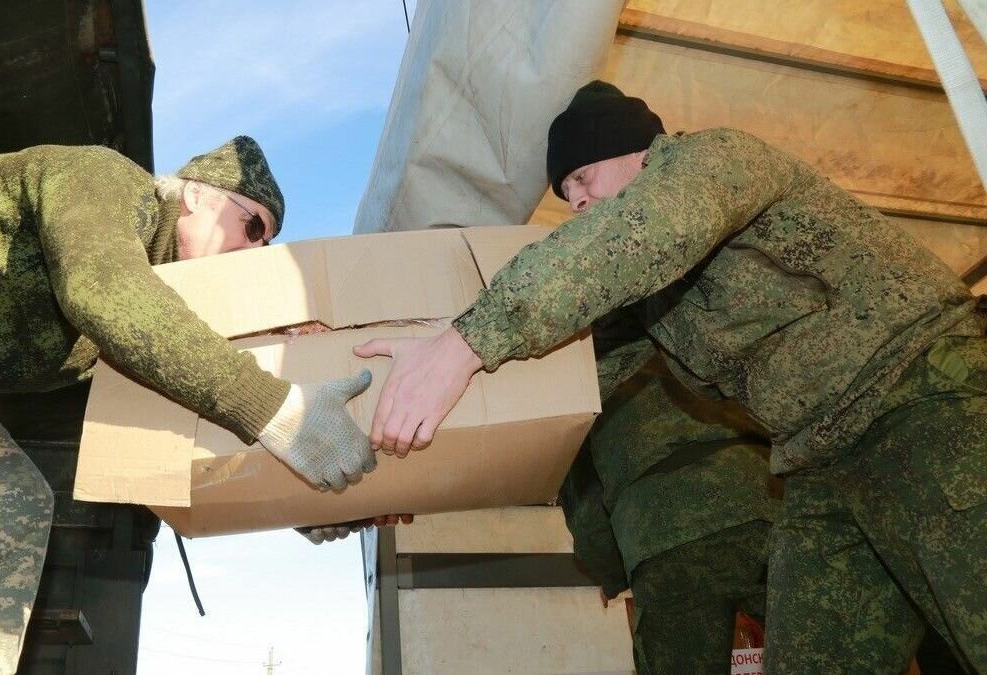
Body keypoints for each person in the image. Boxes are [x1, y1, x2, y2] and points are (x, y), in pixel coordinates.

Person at [354, 81, 987, 673]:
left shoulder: (713, 160)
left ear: (634, 147)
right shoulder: (655, 304)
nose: (575, 200)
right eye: (566, 191)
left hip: (921, 398)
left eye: (580, 176)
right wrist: (405, 435)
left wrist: (461, 345)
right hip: (821, 463)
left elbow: (635, 237)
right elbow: (553, 373)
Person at [0, 136, 375, 674]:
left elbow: (176, 433)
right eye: (253, 227)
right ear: (195, 194)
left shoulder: (152, 314)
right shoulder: (109, 182)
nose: (258, 250)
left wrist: (297, 495)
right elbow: (102, 292)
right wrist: (281, 413)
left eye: (269, 241)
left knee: (16, 496)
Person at [561, 347, 777, 674]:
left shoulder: (586, 380)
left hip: (668, 536)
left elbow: (589, 518)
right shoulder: (692, 331)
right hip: (766, 504)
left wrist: (612, 578)